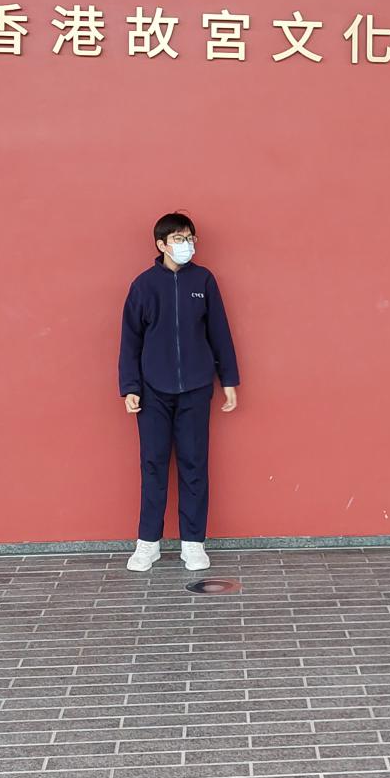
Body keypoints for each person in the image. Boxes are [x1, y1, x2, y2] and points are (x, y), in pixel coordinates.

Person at [117, 212, 240, 572]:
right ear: (161, 244)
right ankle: (147, 544)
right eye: (179, 239)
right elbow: (130, 340)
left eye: (190, 238)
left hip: (196, 388)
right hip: (153, 390)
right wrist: (130, 386)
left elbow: (219, 332)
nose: (186, 244)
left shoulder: (204, 280)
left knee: (194, 464)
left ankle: (193, 544)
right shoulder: (143, 286)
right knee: (153, 464)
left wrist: (228, 380)